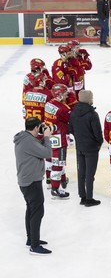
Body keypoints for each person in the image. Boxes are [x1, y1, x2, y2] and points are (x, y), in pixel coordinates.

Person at [14, 117, 53, 255]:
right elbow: (47, 153)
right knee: (37, 211)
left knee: (31, 209)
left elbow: (37, 148)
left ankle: (31, 239)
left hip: (26, 180)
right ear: (36, 128)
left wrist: (43, 138)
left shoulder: (24, 138)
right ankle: (34, 246)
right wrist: (47, 138)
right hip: (31, 182)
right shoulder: (28, 141)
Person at [68, 90, 103, 207]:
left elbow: (71, 129)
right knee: (90, 174)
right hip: (91, 148)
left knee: (81, 172)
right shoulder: (92, 114)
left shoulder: (73, 113)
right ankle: (89, 198)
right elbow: (98, 133)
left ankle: (82, 196)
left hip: (80, 147)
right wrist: (98, 143)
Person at [44, 83, 72, 199]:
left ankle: (52, 181)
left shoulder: (48, 103)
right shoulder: (63, 108)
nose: (66, 95)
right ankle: (56, 189)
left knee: (50, 160)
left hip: (49, 136)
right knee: (58, 164)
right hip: (59, 138)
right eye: (65, 93)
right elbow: (71, 120)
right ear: (59, 94)